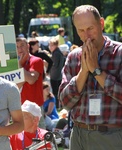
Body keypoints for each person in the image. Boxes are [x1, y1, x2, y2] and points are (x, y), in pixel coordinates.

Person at [58, 4, 122, 150]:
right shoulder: (74, 57)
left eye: (90, 29)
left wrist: (96, 70)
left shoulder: (119, 53)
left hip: (111, 136)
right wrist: (83, 72)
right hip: (79, 135)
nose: (86, 36)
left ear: (101, 24)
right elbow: (65, 102)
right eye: (81, 30)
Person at [16, 37, 45, 129]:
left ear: (28, 46)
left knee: (40, 137)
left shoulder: (36, 60)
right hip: (21, 106)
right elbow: (17, 85)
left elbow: (31, 80)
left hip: (35, 106)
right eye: (17, 47)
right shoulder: (13, 65)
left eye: (22, 45)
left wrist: (20, 66)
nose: (20, 49)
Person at [49, 37, 65, 109]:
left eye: (52, 45)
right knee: (58, 92)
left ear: (56, 45)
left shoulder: (56, 53)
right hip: (59, 75)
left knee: (56, 92)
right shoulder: (59, 52)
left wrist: (47, 64)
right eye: (50, 45)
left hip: (55, 76)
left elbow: (54, 64)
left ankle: (57, 106)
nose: (50, 47)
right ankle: (59, 105)